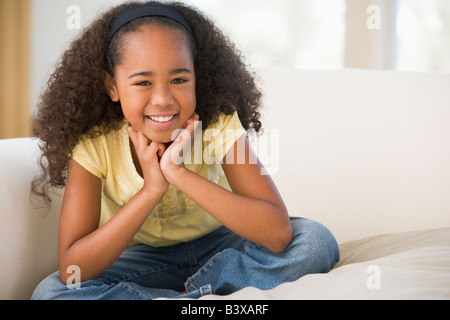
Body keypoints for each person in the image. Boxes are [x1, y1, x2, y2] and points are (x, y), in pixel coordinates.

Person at [31, 1, 339, 300]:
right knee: (53, 292)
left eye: (179, 79)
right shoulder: (93, 146)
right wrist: (151, 190)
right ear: (112, 86)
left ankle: (181, 296)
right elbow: (74, 268)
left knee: (315, 243)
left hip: (223, 248)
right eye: (142, 82)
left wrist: (176, 173)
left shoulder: (218, 124)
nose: (163, 99)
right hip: (142, 261)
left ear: (197, 77)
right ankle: (199, 295)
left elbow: (277, 233)